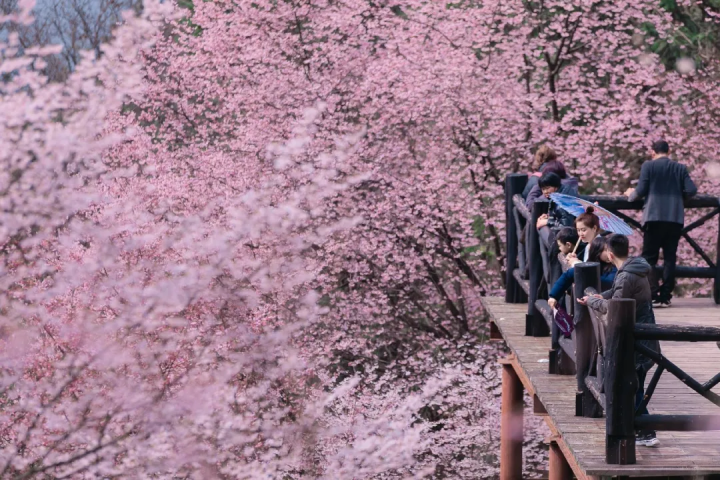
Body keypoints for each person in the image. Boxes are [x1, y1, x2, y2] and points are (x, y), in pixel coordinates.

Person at [579, 234, 661, 448]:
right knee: (636, 384)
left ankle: (646, 430)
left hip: (636, 339)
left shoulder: (625, 275)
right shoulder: (633, 269)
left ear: (610, 253)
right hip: (643, 334)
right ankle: (642, 429)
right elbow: (617, 294)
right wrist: (600, 296)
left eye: (604, 250)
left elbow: (616, 307)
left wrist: (593, 302)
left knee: (633, 385)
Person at [624, 140, 697, 308]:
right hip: (674, 217)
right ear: (669, 151)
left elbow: (640, 191)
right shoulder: (680, 168)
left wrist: (630, 194)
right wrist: (679, 196)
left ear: (652, 152)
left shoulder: (648, 166)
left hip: (654, 216)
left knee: (649, 257)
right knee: (670, 257)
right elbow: (691, 190)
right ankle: (666, 295)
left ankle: (654, 292)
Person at [548, 235, 617, 310]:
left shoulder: (614, 266)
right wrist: (553, 296)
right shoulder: (587, 266)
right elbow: (566, 276)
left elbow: (610, 282)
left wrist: (586, 276)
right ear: (597, 251)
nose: (610, 253)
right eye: (606, 250)